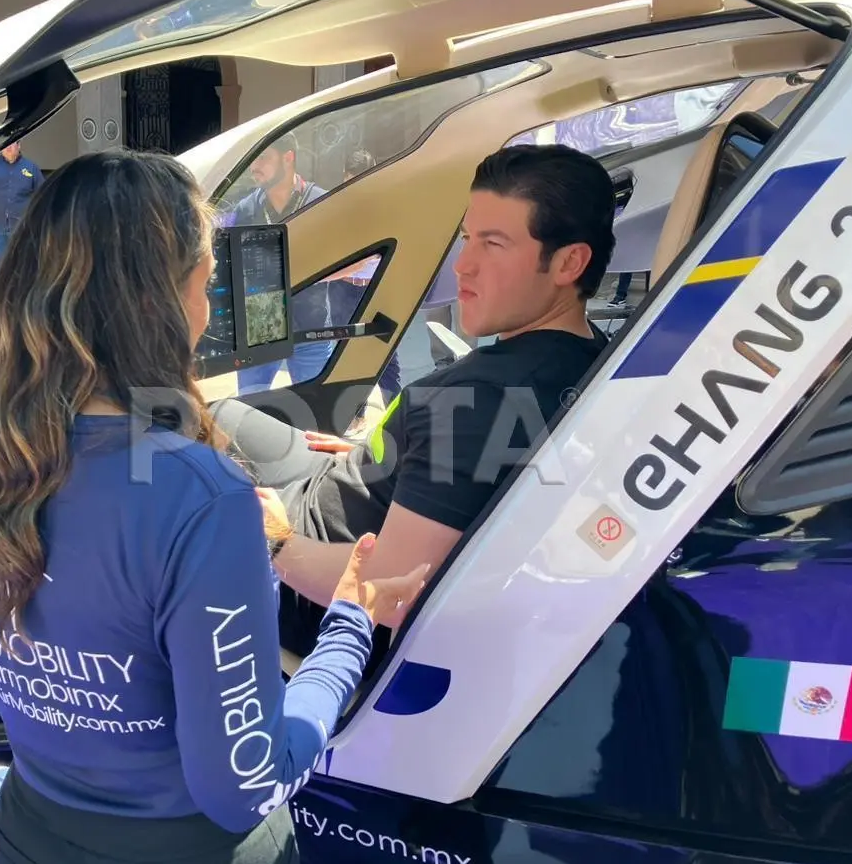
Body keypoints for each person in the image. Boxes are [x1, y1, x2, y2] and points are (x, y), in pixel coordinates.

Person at [0, 150, 428, 864]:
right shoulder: (202, 498)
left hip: (31, 861)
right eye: (205, 281)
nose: (208, 308)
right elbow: (244, 786)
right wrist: (349, 628)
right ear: (159, 301)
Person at [211, 144, 616, 657]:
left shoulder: (479, 404)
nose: (463, 266)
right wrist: (399, 456)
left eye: (493, 244)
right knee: (220, 416)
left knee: (177, 446)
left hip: (312, 579)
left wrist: (272, 541)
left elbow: (389, 593)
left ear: (568, 263)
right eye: (467, 239)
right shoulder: (590, 358)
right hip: (357, 485)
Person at [222, 133, 334, 394]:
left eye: (263, 157)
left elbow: (358, 260)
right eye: (253, 158)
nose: (254, 166)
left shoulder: (321, 202)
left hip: (311, 328)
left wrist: (305, 273)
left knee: (317, 416)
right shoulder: (245, 209)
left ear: (288, 158)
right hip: (259, 329)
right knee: (250, 414)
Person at [325, 150, 402, 433]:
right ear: (344, 177)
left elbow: (376, 255)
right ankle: (354, 417)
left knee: (387, 357)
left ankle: (396, 420)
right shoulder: (335, 209)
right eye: (351, 180)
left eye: (362, 180)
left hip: (377, 288)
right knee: (347, 356)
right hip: (343, 292)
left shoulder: (385, 206)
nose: (356, 187)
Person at [0, 140, 43, 308]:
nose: (9, 148)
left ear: (20, 146)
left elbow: (42, 193)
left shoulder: (30, 168)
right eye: (6, 145)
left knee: (22, 262)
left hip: (21, 226)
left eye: (13, 145)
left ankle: (21, 300)